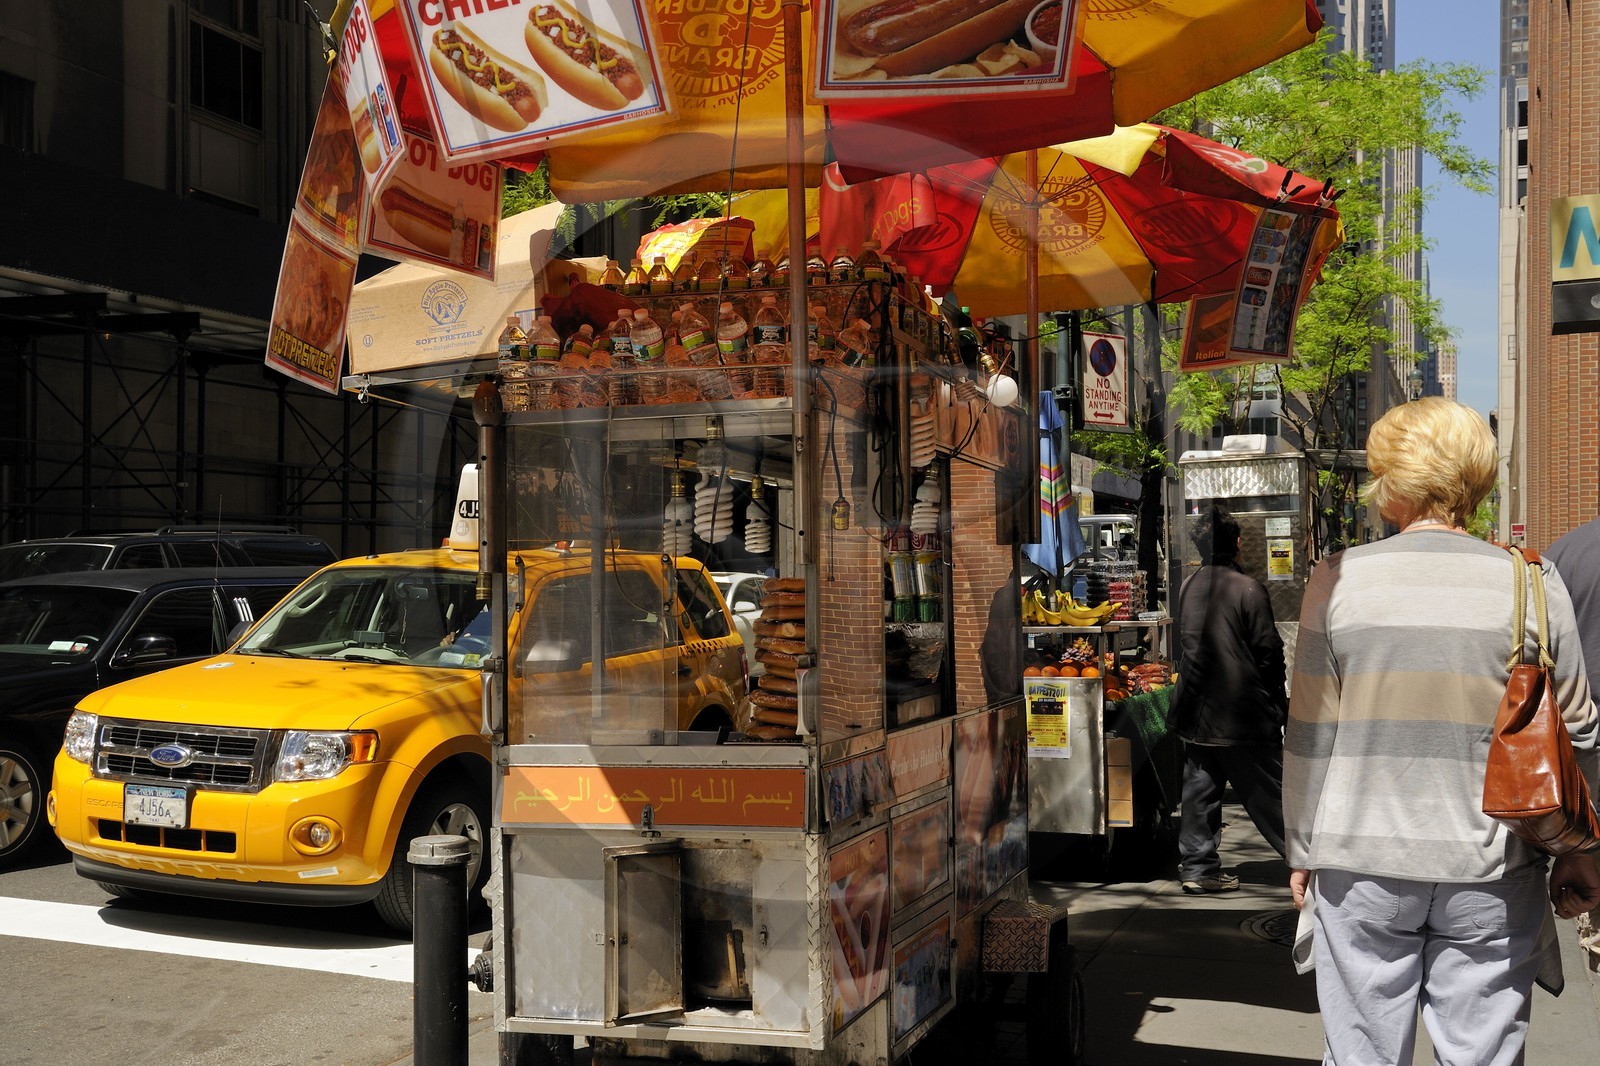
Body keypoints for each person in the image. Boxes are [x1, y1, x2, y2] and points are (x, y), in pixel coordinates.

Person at [1285, 397, 1600, 1066]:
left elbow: (1309, 737)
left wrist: (1301, 848)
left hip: (1361, 863)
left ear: (1393, 481)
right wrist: (1579, 848)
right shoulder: (1533, 582)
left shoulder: (1336, 579)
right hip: (1492, 865)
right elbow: (1579, 731)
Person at [1170, 502, 1289, 894]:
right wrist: (1279, 704)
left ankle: (1198, 869)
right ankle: (1309, 861)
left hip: (1196, 707)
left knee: (1200, 791)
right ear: (1237, 543)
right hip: (1241, 711)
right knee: (1275, 792)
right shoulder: (1248, 589)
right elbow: (1269, 653)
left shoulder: (1188, 586)